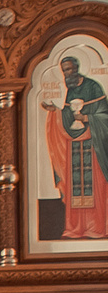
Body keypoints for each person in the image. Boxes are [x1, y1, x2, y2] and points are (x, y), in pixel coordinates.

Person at [46, 53, 108, 240]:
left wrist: (88, 118)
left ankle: (97, 227)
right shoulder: (71, 90)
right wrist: (55, 112)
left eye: (70, 69)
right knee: (76, 187)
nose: (67, 74)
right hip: (75, 146)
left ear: (77, 68)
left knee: (95, 186)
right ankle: (77, 228)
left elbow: (105, 115)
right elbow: (67, 115)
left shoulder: (93, 87)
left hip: (94, 145)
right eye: (64, 71)